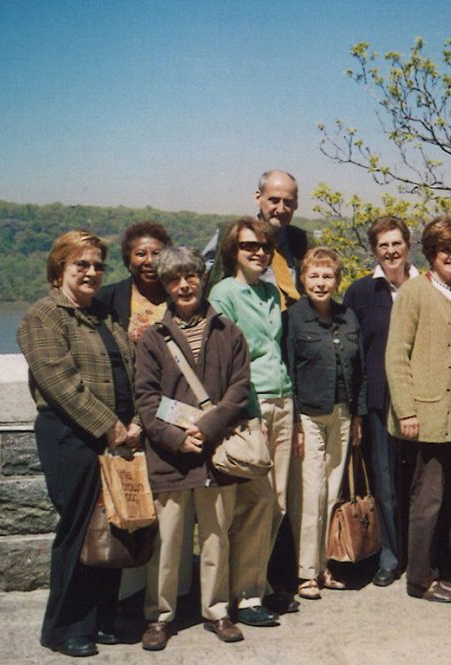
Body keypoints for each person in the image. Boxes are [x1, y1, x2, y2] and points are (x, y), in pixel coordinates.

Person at [17, 229, 141, 657]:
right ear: (59, 269)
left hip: (118, 436)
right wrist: (110, 426)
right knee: (77, 529)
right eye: (80, 265)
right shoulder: (44, 316)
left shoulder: (105, 314)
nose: (91, 272)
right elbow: (60, 383)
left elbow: (133, 368)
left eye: (96, 265)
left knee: (111, 527)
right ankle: (65, 627)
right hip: (71, 437)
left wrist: (137, 420)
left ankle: (103, 618)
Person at [132, 247, 251, 649]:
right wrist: (178, 438)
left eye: (191, 277)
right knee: (166, 543)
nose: (184, 285)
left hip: (216, 455)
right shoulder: (153, 338)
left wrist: (204, 428)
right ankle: (159, 617)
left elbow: (238, 392)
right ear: (165, 286)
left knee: (217, 537)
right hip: (170, 457)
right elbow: (146, 400)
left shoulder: (228, 332)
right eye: (174, 279)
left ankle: (217, 612)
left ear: (203, 278)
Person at [386, 215, 451, 603]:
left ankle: (438, 569)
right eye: (446, 250)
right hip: (429, 403)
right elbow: (396, 355)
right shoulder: (415, 292)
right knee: (428, 493)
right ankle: (418, 579)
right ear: (431, 253)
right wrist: (407, 410)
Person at [208, 217, 293, 628]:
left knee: (275, 502)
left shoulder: (270, 292)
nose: (258, 253)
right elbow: (222, 359)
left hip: (283, 399)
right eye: (249, 247)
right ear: (233, 251)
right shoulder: (224, 294)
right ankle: (242, 596)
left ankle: (258, 585)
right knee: (253, 501)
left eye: (264, 247)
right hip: (250, 408)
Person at [286, 247, 367, 600]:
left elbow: (360, 371)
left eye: (327, 276)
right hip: (308, 415)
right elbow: (287, 372)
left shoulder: (348, 317)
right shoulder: (293, 319)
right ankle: (305, 573)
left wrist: (358, 415)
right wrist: (295, 426)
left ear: (337, 280)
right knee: (311, 493)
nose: (321, 283)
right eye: (314, 276)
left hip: (343, 414)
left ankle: (325, 566)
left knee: (333, 492)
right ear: (303, 279)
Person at [342, 215, 419, 587]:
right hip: (378, 399)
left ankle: (422, 554)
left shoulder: (427, 287)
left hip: (423, 399)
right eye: (383, 245)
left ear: (408, 245)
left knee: (421, 479)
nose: (391, 251)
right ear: (375, 250)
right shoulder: (359, 293)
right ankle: (390, 556)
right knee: (385, 481)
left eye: (396, 243)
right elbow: (352, 354)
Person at [204, 170, 307, 308]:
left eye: (288, 202)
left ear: (296, 204)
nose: (281, 209)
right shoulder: (230, 234)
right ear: (258, 198)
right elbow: (199, 275)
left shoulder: (302, 241)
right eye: (274, 200)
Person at [95, 221, 172, 344]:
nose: (149, 261)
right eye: (141, 254)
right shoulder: (105, 299)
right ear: (128, 260)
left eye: (156, 253)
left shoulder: (179, 297)